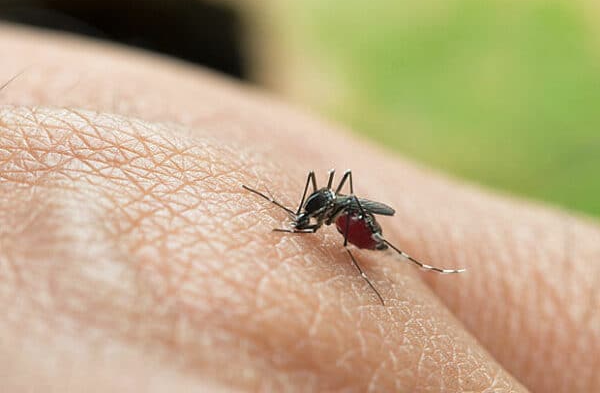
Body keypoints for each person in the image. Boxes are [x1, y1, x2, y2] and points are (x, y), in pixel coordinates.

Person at [0, 24, 598, 392]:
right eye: (312, 216)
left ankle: (381, 255)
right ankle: (388, 253)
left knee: (352, 219)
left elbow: (338, 207)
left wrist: (350, 233)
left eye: (311, 216)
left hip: (350, 213)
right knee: (336, 200)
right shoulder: (320, 201)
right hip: (338, 208)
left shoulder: (339, 214)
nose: (309, 220)